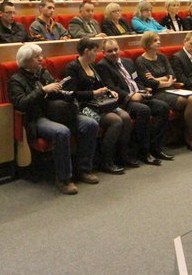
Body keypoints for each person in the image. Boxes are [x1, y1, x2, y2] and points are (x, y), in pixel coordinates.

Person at [9, 43, 99, 194]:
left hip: (58, 113)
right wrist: (43, 90)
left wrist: (63, 91)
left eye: (40, 55)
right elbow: (21, 104)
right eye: (36, 57)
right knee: (61, 132)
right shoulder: (16, 80)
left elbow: (56, 93)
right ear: (25, 60)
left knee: (90, 124)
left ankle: (84, 169)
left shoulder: (43, 72)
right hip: (37, 118)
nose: (40, 59)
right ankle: (64, 179)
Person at [64, 37, 135, 174]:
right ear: (86, 51)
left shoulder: (92, 65)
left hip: (100, 102)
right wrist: (93, 93)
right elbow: (72, 93)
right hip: (84, 106)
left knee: (125, 117)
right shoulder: (73, 67)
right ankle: (106, 160)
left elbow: (100, 85)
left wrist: (109, 92)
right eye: (94, 51)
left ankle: (122, 155)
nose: (96, 54)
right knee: (116, 121)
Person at [95, 39, 170, 165]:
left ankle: (155, 146)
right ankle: (143, 151)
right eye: (110, 51)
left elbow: (137, 79)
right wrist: (130, 96)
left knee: (163, 107)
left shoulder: (128, 62)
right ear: (103, 53)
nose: (114, 53)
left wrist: (143, 90)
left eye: (116, 49)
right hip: (124, 100)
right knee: (143, 110)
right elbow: (111, 87)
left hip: (140, 95)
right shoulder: (102, 66)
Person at [135, 31, 192, 153]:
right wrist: (162, 80)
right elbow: (149, 83)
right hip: (156, 93)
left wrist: (158, 79)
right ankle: (190, 138)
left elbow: (172, 76)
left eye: (158, 40)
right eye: (155, 40)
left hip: (170, 88)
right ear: (147, 43)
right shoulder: (141, 61)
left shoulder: (162, 57)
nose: (159, 42)